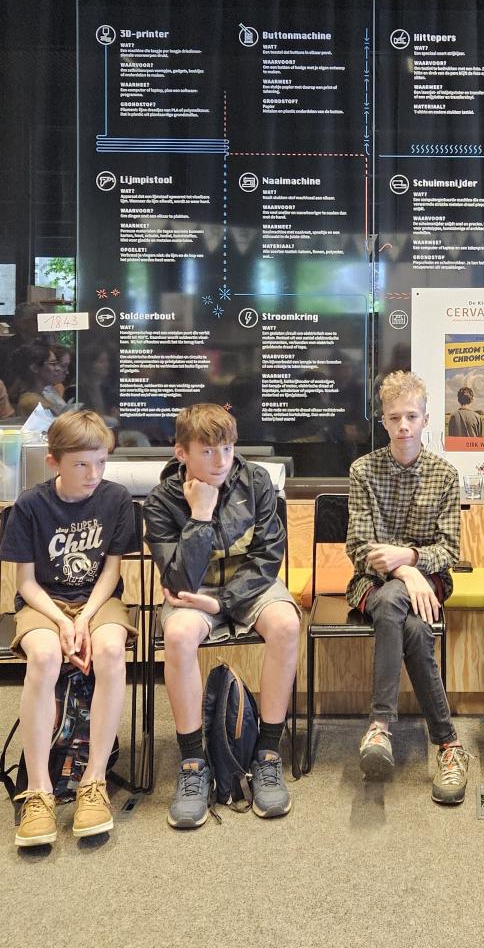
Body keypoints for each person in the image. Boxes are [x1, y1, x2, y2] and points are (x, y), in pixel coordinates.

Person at [143, 404, 300, 828]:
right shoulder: (161, 501)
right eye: (208, 451)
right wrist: (199, 515)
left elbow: (268, 557)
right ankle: (194, 763)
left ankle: (268, 753)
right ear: (182, 453)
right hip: (195, 594)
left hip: (248, 587)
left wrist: (225, 603)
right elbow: (178, 581)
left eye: (227, 448)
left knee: (286, 624)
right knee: (178, 637)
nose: (221, 460)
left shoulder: (256, 481)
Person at [0, 410, 137, 847]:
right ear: (54, 462)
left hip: (97, 601)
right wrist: (62, 620)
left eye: (101, 462)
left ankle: (93, 782)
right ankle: (38, 789)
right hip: (45, 603)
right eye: (81, 464)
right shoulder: (30, 505)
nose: (94, 474)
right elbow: (25, 583)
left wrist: (84, 618)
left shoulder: (116, 499)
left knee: (111, 650)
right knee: (44, 656)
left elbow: (111, 572)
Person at [346, 370, 470, 805]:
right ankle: (449, 744)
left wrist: (411, 561)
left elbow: (449, 549)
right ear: (383, 420)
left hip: (429, 583)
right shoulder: (363, 470)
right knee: (412, 626)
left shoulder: (445, 474)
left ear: (425, 420)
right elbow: (359, 548)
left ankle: (380, 727)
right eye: (394, 417)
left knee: (394, 602)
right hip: (372, 582)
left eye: (411, 417)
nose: (403, 425)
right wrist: (406, 572)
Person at [7, 341, 62, 418]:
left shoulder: (36, 397)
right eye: (52, 363)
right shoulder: (32, 402)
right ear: (34, 368)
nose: (58, 368)